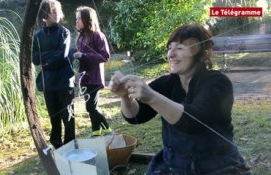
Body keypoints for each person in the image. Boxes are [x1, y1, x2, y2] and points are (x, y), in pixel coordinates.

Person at [109, 24, 251, 174]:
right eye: (170, 47)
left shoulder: (217, 82)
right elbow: (136, 116)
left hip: (217, 166)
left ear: (203, 53)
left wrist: (151, 96)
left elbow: (193, 121)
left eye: (180, 48)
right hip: (175, 164)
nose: (171, 54)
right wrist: (125, 96)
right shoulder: (167, 83)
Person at [32, 0, 75, 149]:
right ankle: (57, 146)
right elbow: (35, 58)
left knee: (68, 116)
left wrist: (46, 61)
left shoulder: (64, 32)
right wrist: (50, 56)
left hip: (65, 81)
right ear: (45, 14)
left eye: (58, 11)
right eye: (54, 11)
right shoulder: (37, 36)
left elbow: (63, 55)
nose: (58, 14)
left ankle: (70, 146)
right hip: (48, 82)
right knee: (54, 117)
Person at [73, 6, 113, 137]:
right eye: (76, 18)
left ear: (87, 19)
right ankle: (96, 132)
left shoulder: (98, 35)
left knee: (91, 107)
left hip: (95, 79)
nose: (77, 21)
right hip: (85, 79)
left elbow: (104, 56)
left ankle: (107, 130)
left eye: (79, 18)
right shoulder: (81, 37)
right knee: (90, 106)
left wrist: (83, 56)